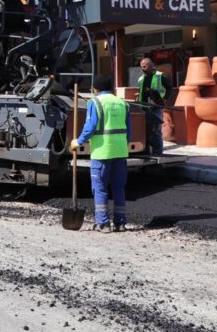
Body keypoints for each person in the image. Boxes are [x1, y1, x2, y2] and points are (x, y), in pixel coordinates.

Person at [70, 74, 131, 233]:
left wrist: (78, 142)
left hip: (102, 152)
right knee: (119, 188)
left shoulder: (95, 102)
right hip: (120, 151)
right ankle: (120, 223)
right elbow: (128, 132)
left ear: (95, 89)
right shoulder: (123, 103)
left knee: (100, 188)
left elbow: (90, 128)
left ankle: (103, 223)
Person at [136, 58, 169, 155]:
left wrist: (164, 99)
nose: (142, 68)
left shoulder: (160, 76)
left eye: (145, 66)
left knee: (155, 131)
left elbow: (169, 87)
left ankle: (158, 152)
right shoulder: (141, 79)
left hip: (156, 107)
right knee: (145, 130)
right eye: (141, 66)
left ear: (151, 66)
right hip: (144, 107)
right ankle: (146, 150)